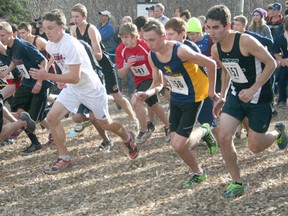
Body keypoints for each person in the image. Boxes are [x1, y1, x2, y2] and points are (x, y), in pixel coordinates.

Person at [29, 9, 138, 174]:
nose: (47, 32)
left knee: (105, 124)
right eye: (45, 28)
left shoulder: (71, 45)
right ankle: (64, 158)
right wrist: (58, 77)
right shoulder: (51, 44)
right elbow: (57, 60)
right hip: (73, 89)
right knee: (52, 118)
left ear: (61, 27)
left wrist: (46, 75)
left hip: (91, 89)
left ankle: (127, 137)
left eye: (50, 28)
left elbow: (74, 76)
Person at [206, 4, 288, 199]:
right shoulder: (215, 49)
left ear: (227, 25)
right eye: (208, 27)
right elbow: (226, 70)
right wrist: (223, 95)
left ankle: (278, 132)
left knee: (255, 147)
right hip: (236, 95)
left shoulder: (245, 41)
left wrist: (253, 89)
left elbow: (271, 63)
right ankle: (237, 182)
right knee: (224, 137)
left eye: (215, 27)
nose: (211, 32)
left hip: (259, 97)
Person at [140, 18, 217, 188]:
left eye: (151, 39)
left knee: (178, 144)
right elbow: (158, 83)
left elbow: (211, 64)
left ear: (163, 37)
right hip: (176, 97)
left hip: (193, 98)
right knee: (178, 144)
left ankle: (199, 170)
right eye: (146, 40)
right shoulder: (152, 55)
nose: (148, 44)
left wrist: (211, 91)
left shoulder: (181, 51)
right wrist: (146, 93)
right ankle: (204, 133)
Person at [70, 3, 139, 151]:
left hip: (103, 66)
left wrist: (84, 55)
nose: (75, 20)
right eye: (73, 17)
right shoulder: (74, 30)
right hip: (90, 70)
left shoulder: (92, 29)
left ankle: (134, 119)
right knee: (96, 105)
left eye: (77, 17)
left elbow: (99, 54)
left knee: (117, 95)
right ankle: (102, 135)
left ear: (84, 17)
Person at [165, 17, 219, 153]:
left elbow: (204, 68)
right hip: (181, 94)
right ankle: (201, 136)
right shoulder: (167, 49)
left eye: (171, 34)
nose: (167, 37)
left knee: (212, 126)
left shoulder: (189, 48)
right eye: (166, 34)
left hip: (199, 93)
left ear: (182, 34)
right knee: (179, 138)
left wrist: (211, 91)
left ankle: (219, 143)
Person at [0, 21, 53, 154]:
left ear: (11, 34)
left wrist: (39, 82)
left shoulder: (23, 46)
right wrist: (6, 72)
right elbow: (14, 60)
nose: (1, 39)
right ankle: (35, 143)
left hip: (39, 84)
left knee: (32, 118)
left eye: (3, 35)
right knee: (21, 114)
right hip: (27, 83)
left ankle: (53, 115)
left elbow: (43, 61)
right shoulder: (10, 48)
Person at [116, 22, 170, 144]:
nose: (124, 40)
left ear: (135, 36)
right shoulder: (121, 50)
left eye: (127, 37)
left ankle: (145, 129)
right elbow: (120, 74)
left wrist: (164, 75)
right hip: (139, 80)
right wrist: (127, 65)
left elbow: (159, 56)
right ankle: (168, 126)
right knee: (154, 105)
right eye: (122, 37)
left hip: (153, 76)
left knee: (138, 100)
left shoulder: (144, 45)